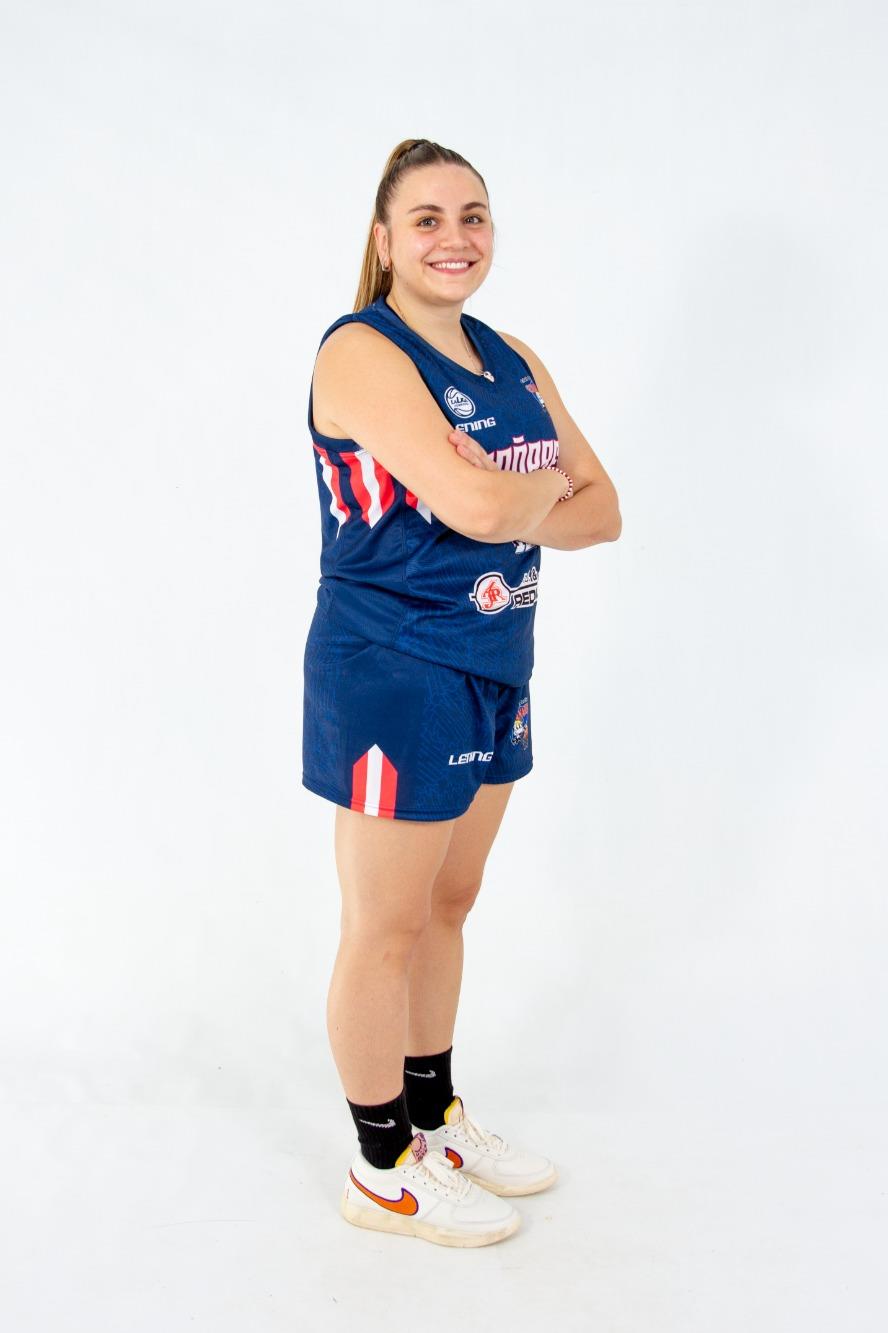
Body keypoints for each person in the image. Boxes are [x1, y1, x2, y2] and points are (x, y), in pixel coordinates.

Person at [302, 138, 622, 1247]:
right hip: (393, 665)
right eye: (428, 219)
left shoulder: (510, 356)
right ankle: (382, 1164)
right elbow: (486, 510)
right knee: (385, 922)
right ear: (385, 240)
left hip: (495, 656)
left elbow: (605, 507)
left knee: (450, 902)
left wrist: (498, 489)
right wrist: (523, 490)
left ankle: (433, 1117)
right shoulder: (360, 351)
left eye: (473, 215)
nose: (455, 237)